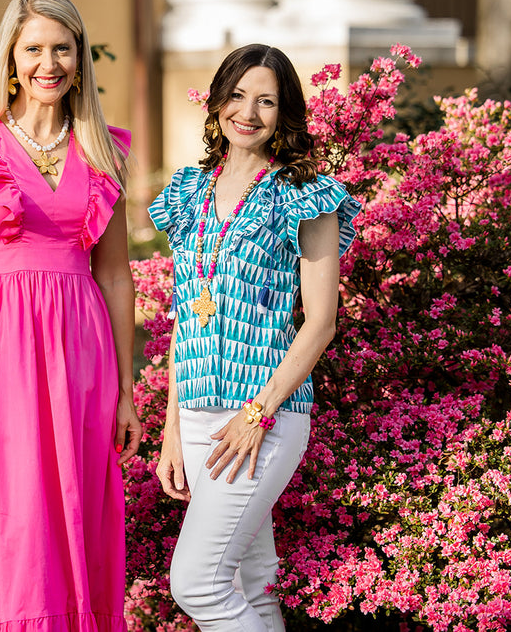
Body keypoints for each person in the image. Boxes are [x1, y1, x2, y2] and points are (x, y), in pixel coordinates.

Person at [0, 0, 142, 632]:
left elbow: (114, 275)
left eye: (62, 48)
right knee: (14, 520)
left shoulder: (104, 150)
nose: (49, 63)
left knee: (75, 511)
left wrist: (128, 392)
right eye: (34, 49)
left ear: (80, 58)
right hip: (0, 358)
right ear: (11, 59)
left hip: (83, 357)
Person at [148, 44, 361, 632]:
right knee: (250, 579)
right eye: (238, 95)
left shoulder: (306, 196)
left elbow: (320, 321)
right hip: (195, 415)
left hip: (260, 415)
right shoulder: (188, 189)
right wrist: (171, 429)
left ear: (284, 113)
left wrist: (256, 415)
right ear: (216, 102)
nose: (249, 111)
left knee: (197, 583)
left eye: (266, 100)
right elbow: (184, 318)